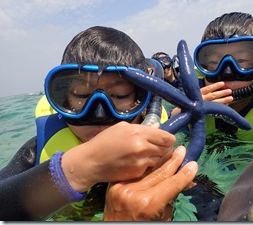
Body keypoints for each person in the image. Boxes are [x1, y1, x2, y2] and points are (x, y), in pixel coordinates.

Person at [103, 12, 253, 221]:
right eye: (212, 62)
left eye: (242, 61)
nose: (227, 72)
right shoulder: (186, 116)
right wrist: (180, 115)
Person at [0, 26, 197, 221]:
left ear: (143, 101)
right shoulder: (40, 148)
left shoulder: (167, 147)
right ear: (63, 99)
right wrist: (79, 169)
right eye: (81, 95)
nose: (100, 114)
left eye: (120, 96)